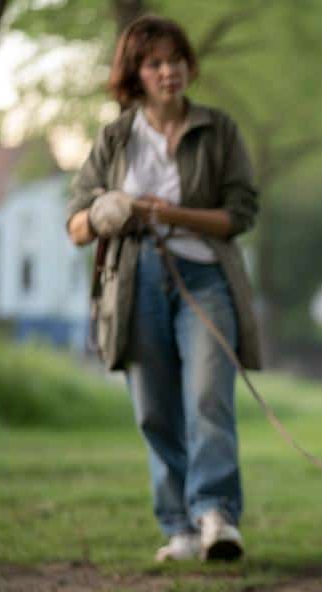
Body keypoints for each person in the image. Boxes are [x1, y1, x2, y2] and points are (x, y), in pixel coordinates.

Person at [65, 15, 262, 562]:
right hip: (133, 282)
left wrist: (164, 212)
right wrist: (105, 213)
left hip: (205, 276)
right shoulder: (115, 137)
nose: (168, 71)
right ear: (136, 73)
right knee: (153, 407)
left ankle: (216, 515)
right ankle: (178, 527)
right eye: (155, 63)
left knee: (207, 396)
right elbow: (75, 225)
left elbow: (240, 213)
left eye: (176, 59)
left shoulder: (217, 130)